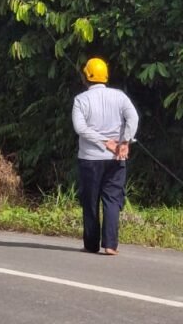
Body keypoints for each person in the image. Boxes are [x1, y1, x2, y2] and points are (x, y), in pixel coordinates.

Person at [72, 56, 139, 255]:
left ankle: (91, 245)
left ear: (86, 76)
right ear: (106, 76)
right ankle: (110, 245)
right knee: (112, 199)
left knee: (90, 200)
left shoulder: (81, 100)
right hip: (116, 159)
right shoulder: (120, 96)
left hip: (90, 159)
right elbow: (133, 117)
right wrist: (125, 141)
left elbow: (80, 128)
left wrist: (104, 142)